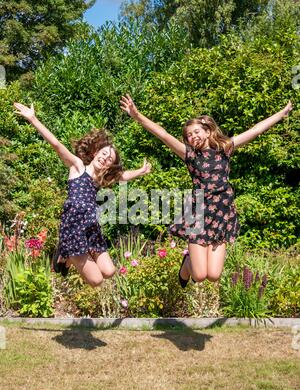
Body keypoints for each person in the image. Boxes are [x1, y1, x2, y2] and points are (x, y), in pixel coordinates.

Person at [120, 94, 293, 287]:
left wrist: (281, 114)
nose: (192, 137)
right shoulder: (191, 155)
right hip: (198, 213)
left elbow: (255, 130)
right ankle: (187, 263)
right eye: (188, 136)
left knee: (214, 275)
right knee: (200, 276)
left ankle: (189, 261)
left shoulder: (225, 149)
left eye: (195, 132)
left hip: (222, 214)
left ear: (208, 131)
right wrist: (137, 115)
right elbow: (163, 135)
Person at [14, 102, 151, 287]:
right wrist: (33, 119)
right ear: (95, 153)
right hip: (74, 228)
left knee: (109, 272)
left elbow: (122, 176)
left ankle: (65, 256)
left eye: (109, 159)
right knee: (96, 280)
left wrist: (140, 171)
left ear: (109, 166)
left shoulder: (100, 180)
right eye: (103, 154)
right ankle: (66, 252)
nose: (105, 158)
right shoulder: (77, 167)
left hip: (91, 228)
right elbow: (56, 144)